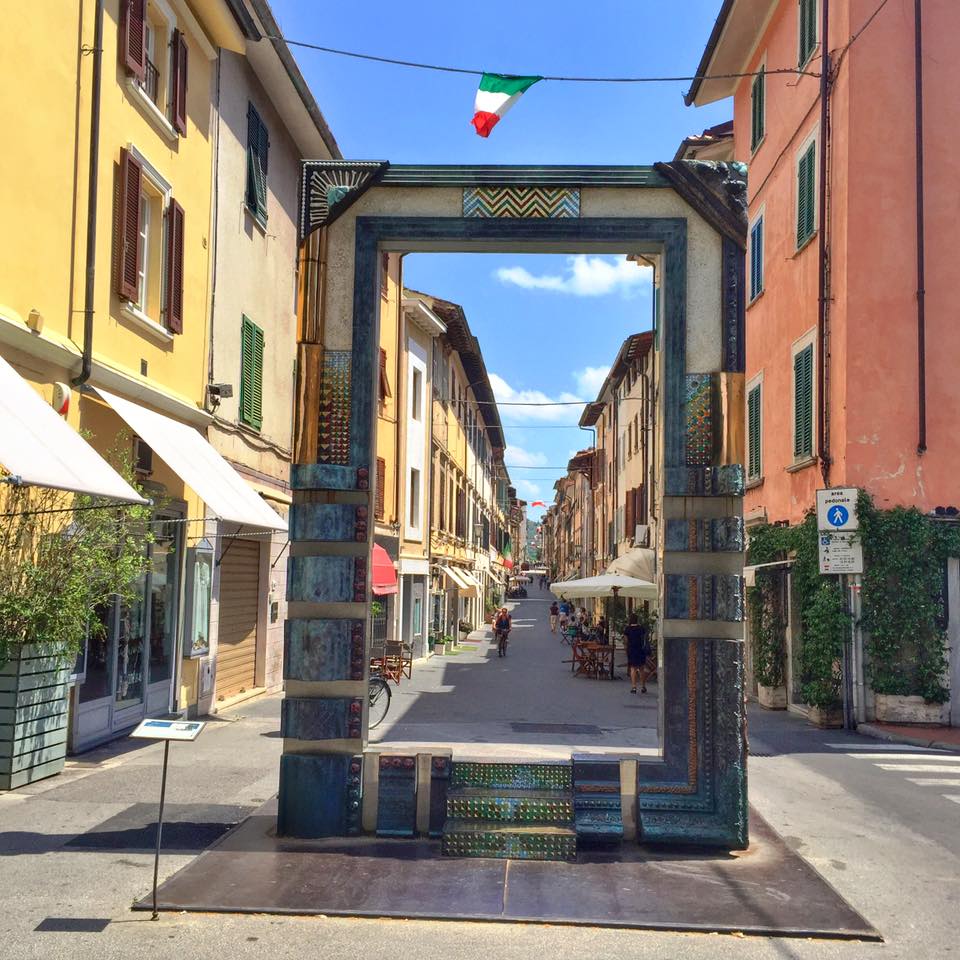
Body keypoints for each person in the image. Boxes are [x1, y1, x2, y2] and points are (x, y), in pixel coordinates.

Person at [624, 612, 652, 693]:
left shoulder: (627, 629)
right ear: (637, 620)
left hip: (632, 650)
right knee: (641, 668)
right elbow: (645, 638)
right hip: (640, 649)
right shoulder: (641, 628)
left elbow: (626, 641)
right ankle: (643, 686)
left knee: (633, 668)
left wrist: (626, 649)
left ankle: (634, 687)